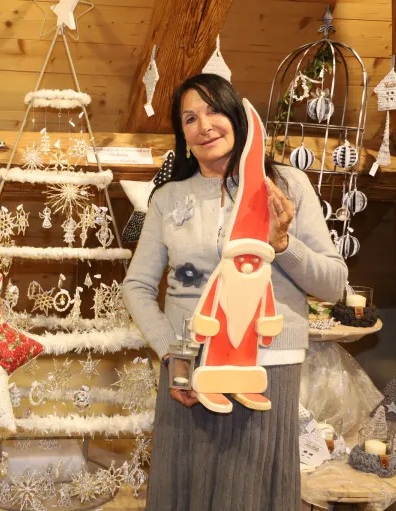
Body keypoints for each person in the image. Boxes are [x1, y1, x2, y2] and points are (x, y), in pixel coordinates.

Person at [122, 74, 348, 510]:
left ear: (237, 118)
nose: (203, 125)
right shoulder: (168, 198)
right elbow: (137, 285)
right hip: (189, 371)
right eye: (190, 118)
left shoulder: (288, 185)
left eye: (214, 110)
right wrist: (173, 354)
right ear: (183, 136)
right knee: (185, 488)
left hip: (267, 370)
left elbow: (334, 283)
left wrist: (283, 245)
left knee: (251, 493)